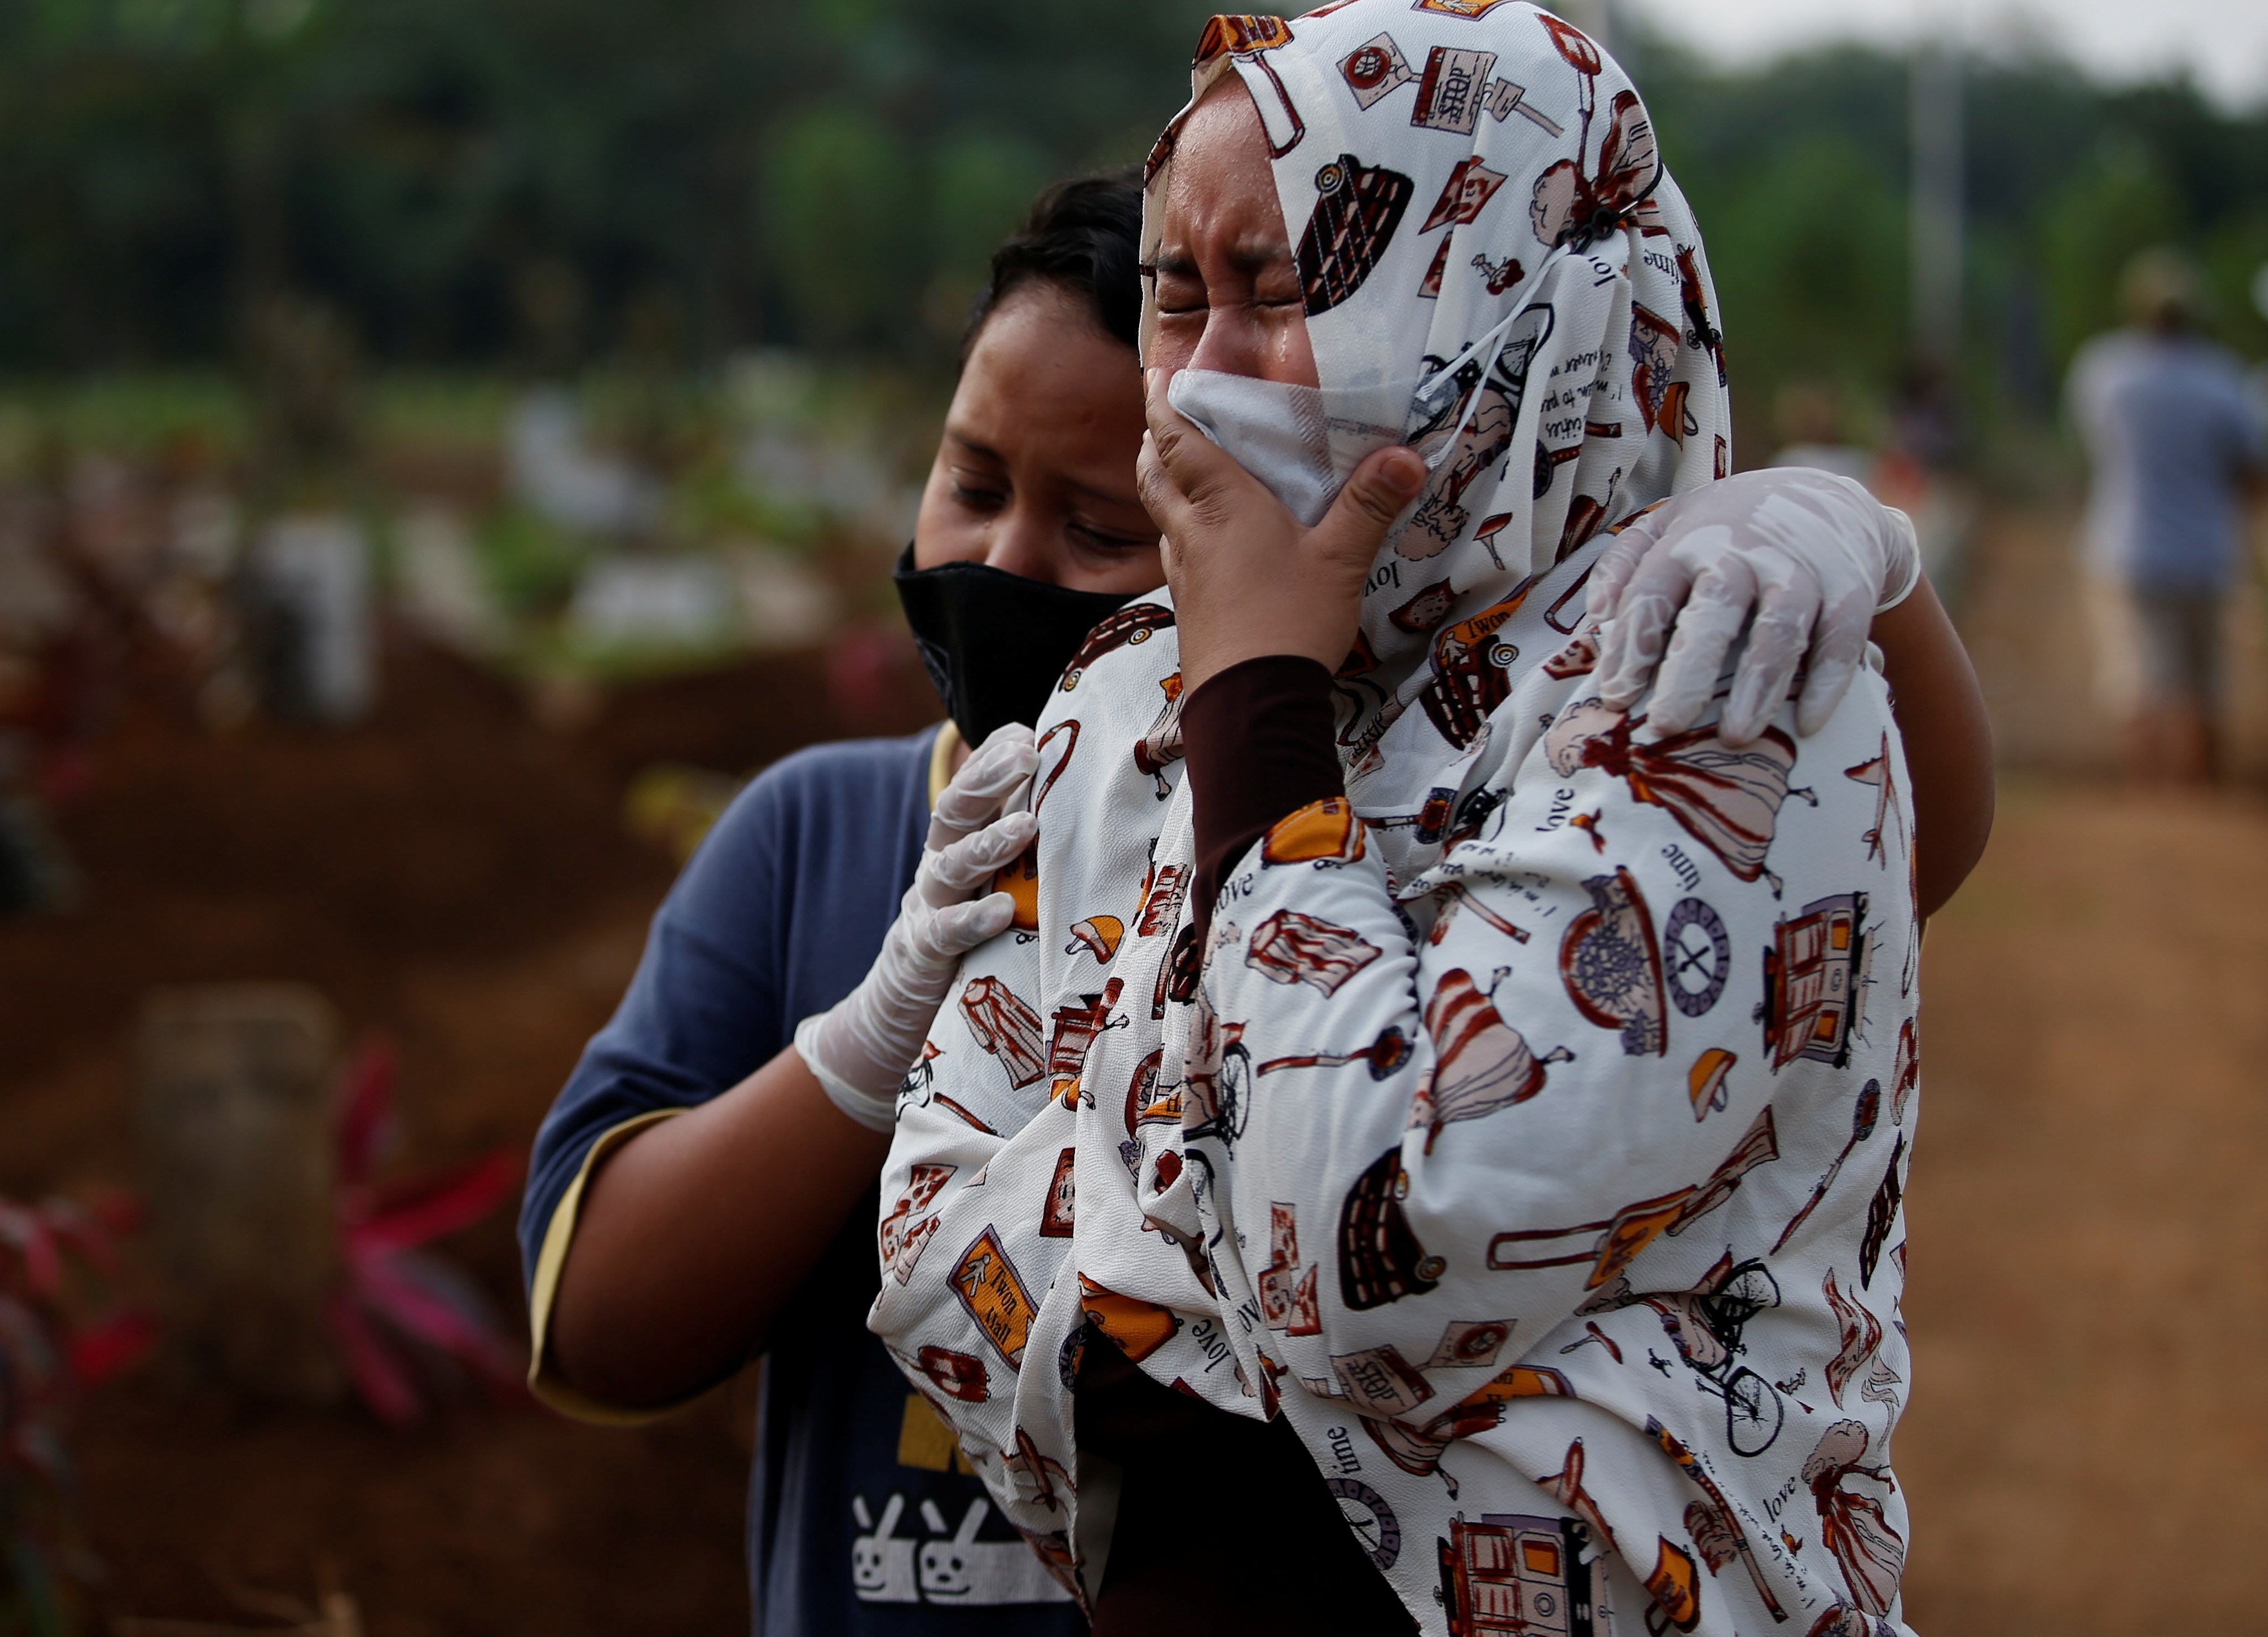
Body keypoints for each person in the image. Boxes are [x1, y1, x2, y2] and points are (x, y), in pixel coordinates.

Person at [521, 156, 1986, 1631]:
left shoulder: (1412, 845)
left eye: (1103, 528)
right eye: (970, 482)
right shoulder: (818, 837)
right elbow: (596, 1332)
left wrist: (1860, 557)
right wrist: (871, 1035)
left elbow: (1885, 862)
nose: (1001, 561)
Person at [870, 0, 1955, 1634]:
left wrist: (1259, 714)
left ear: (1525, 300)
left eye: (1287, 291)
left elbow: (1370, 1266)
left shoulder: (1713, 687)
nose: (1212, 377)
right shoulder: (1117, 703)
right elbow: (937, 1226)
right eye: (1180, 299)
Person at [2068, 247, 2268, 784]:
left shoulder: (2106, 372)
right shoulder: (2223, 379)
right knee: (2206, 685)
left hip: (2126, 545)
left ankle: (2149, 805)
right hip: (2206, 553)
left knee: (2138, 683)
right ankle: (2205, 801)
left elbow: (2093, 444)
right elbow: (2254, 473)